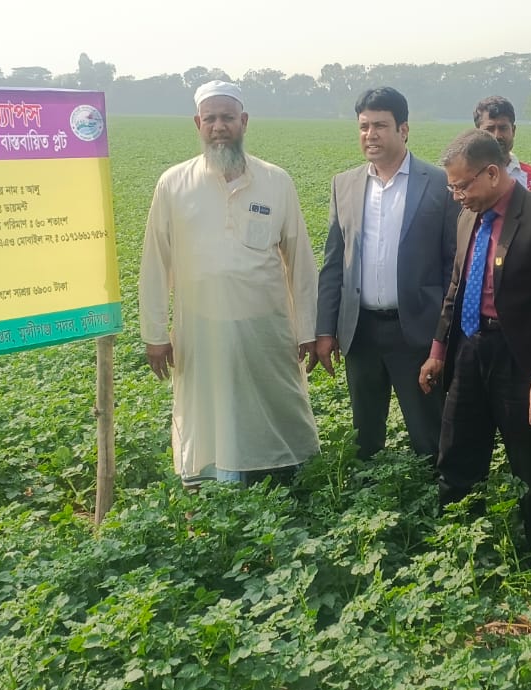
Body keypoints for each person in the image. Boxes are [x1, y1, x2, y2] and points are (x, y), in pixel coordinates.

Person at [138, 81, 320, 487]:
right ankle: (211, 483)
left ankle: (288, 478)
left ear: (244, 121)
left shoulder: (276, 181)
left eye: (228, 118)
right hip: (200, 329)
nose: (219, 127)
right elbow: (155, 263)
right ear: (198, 124)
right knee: (209, 413)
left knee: (278, 407)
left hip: (266, 328)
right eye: (211, 119)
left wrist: (308, 329)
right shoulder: (173, 184)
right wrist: (155, 334)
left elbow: (301, 261)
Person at [418, 130, 531, 553]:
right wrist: (438, 352)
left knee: (528, 460)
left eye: (462, 186)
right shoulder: (467, 217)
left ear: (492, 173)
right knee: (457, 450)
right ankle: (461, 544)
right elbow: (456, 288)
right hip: (470, 346)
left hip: (521, 356)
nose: (457, 196)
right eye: (451, 187)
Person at [314, 87, 457, 460]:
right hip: (360, 331)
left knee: (428, 433)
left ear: (403, 129)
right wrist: (325, 329)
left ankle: (438, 489)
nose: (370, 135)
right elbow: (334, 263)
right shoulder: (344, 184)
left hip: (417, 330)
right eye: (363, 127)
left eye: (380, 125)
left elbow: (453, 265)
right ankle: (368, 491)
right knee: (365, 435)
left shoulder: (438, 184)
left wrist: (445, 334)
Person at [474, 96, 531, 197]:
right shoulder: (465, 179)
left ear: (513, 131)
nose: (497, 135)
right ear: (477, 133)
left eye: (503, 128)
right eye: (489, 129)